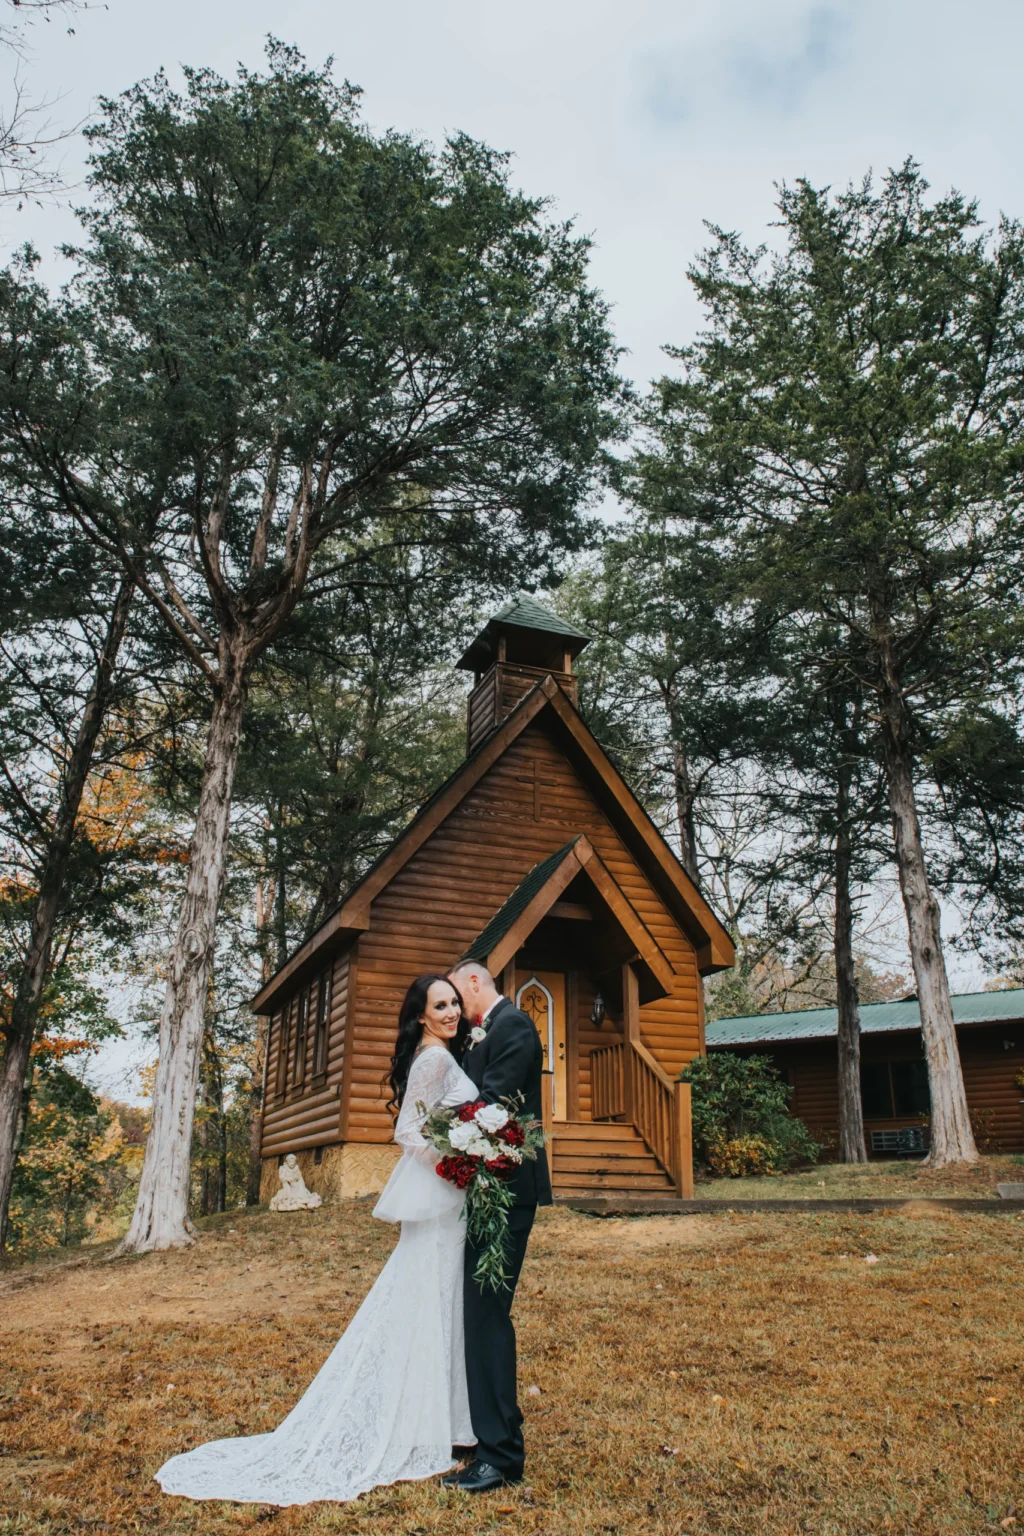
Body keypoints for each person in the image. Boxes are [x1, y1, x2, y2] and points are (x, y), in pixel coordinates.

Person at [154, 975, 478, 1507]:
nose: (451, 1011)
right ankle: (428, 1423)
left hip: (445, 1200)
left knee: (432, 1303)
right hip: (442, 1197)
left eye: (455, 1003)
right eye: (439, 1005)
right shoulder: (435, 1060)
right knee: (430, 1302)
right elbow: (409, 1133)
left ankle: (436, 1418)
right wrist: (454, 1165)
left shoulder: (438, 1055)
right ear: (420, 1015)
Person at [442, 959, 552, 1494]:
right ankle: (487, 1436)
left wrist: (441, 1125)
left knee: (487, 1315)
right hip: (485, 1189)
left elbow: (495, 1105)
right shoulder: (484, 1032)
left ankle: (502, 1458)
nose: (457, 1014)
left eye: (457, 1001)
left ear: (473, 983)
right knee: (479, 1314)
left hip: (506, 1193)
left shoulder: (514, 1026)